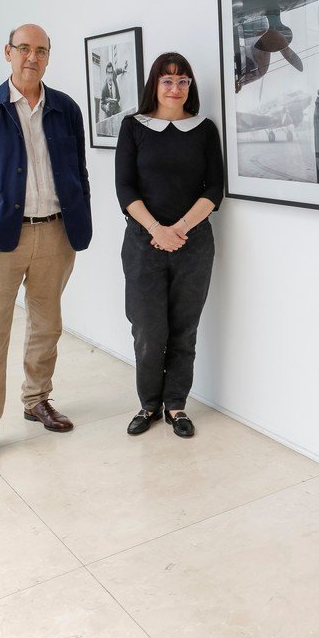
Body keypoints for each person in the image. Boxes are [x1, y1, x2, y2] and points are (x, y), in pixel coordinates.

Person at [0, 24, 92, 474]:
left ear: (49, 58)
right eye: (25, 49)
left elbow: (80, 171)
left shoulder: (66, 108)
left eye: (42, 50)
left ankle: (37, 401)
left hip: (55, 232)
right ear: (8, 53)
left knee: (47, 324)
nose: (33, 57)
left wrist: (78, 217)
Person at [115, 52, 223, 439]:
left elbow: (214, 189)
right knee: (147, 330)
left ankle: (176, 404)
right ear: (154, 86)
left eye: (182, 81)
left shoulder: (205, 129)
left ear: (189, 87)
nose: (175, 88)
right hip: (143, 244)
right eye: (167, 81)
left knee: (183, 329)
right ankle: (149, 404)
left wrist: (178, 228)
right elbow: (124, 187)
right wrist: (156, 230)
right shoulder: (133, 127)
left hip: (194, 245)